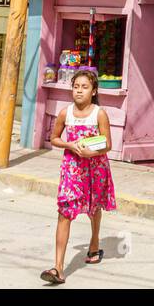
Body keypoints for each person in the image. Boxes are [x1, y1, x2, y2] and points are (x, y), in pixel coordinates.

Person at [41, 69, 116, 285]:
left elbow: (108, 144)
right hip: (72, 169)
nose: (79, 91)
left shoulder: (99, 114)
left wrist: (93, 152)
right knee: (64, 211)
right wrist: (69, 145)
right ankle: (58, 268)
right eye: (76, 87)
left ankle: (94, 243)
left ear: (94, 91)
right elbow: (54, 138)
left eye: (84, 87)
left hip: (96, 169)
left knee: (94, 207)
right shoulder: (65, 113)